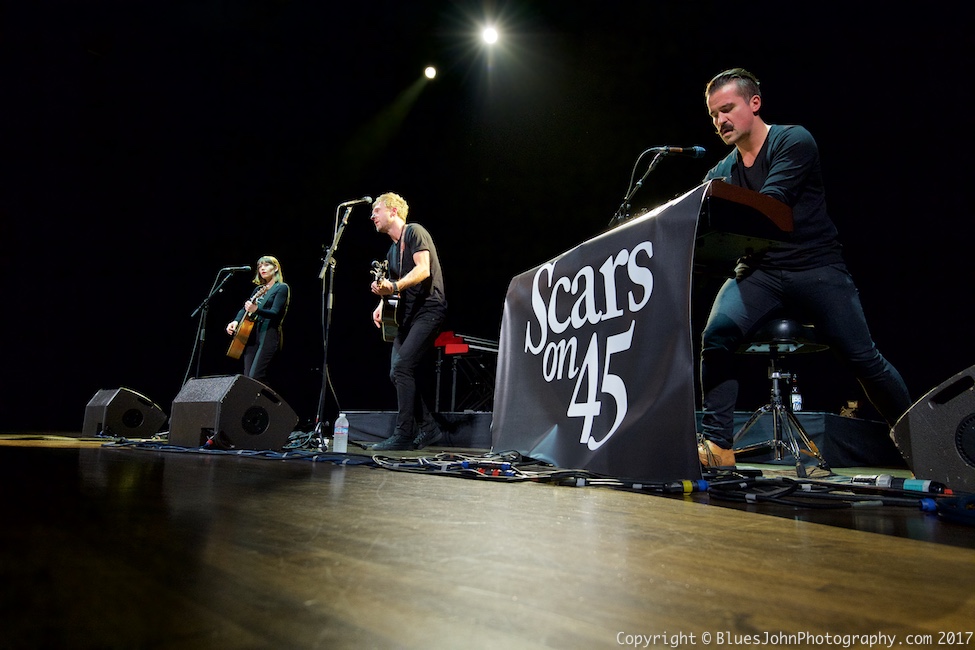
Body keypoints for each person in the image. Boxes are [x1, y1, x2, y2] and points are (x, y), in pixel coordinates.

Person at [697, 68, 911, 467]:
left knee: (863, 357)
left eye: (727, 109)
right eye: (714, 115)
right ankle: (717, 447)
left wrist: (717, 206)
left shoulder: (793, 139)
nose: (720, 121)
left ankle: (921, 444)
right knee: (717, 336)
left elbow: (772, 205)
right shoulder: (721, 172)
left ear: (754, 103)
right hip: (758, 272)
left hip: (815, 266)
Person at [369, 192, 448, 451]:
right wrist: (381, 303)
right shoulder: (391, 251)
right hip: (408, 315)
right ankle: (429, 429)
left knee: (402, 368)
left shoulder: (414, 232)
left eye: (377, 210)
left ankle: (404, 434)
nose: (372, 216)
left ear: (393, 211)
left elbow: (423, 269)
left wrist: (393, 286)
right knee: (398, 371)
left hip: (429, 309)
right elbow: (392, 287)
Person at [225, 255, 290, 384]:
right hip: (252, 336)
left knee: (256, 376)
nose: (262, 268)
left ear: (276, 268)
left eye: (266, 265)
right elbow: (245, 309)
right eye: (260, 266)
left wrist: (257, 310)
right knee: (247, 378)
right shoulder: (258, 289)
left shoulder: (281, 287)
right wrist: (236, 321)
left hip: (268, 334)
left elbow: (275, 312)